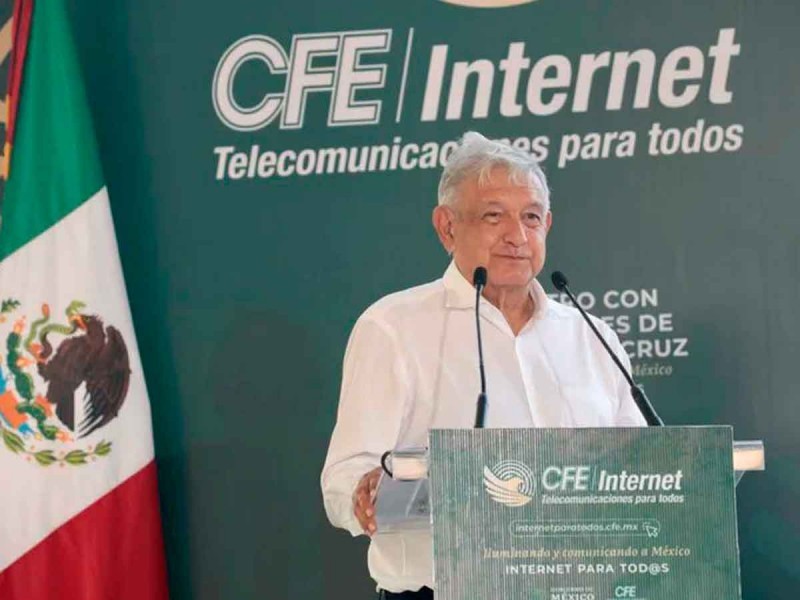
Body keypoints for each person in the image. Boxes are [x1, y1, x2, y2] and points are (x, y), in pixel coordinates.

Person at [321, 131, 645, 599]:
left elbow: (640, 469)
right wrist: (365, 493)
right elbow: (344, 478)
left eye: (531, 217)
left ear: (547, 226)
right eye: (494, 216)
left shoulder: (590, 336)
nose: (517, 236)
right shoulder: (393, 327)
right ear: (447, 227)